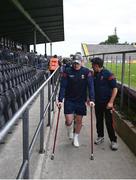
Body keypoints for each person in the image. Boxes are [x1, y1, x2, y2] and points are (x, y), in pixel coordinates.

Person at [57, 54, 95, 147]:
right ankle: (69, 130)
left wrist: (92, 99)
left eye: (77, 63)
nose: (76, 65)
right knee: (69, 121)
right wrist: (60, 99)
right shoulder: (67, 71)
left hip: (81, 100)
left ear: (81, 62)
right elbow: (63, 86)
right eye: (74, 63)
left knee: (79, 121)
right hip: (69, 99)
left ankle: (76, 137)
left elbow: (90, 86)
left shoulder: (87, 72)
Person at [91, 57, 118, 150]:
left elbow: (115, 89)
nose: (91, 66)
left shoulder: (108, 74)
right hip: (97, 103)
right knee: (99, 121)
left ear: (97, 65)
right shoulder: (94, 73)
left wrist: (111, 102)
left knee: (109, 122)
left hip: (107, 103)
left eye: (93, 65)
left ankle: (113, 141)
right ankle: (100, 136)